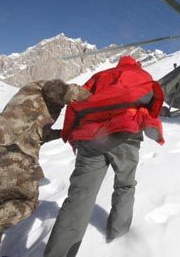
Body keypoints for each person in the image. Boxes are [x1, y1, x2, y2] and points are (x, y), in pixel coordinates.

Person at [0, 79, 90, 257]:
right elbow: (57, 90)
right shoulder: (42, 87)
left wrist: (64, 132)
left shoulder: (26, 104)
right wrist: (91, 97)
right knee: (26, 202)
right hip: (10, 154)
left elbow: (37, 133)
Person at [44, 56, 164, 257]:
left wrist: (71, 135)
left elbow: (75, 104)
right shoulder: (141, 75)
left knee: (80, 197)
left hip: (90, 139)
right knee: (125, 185)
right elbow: (153, 103)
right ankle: (117, 237)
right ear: (136, 64)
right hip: (125, 136)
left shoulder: (99, 77)